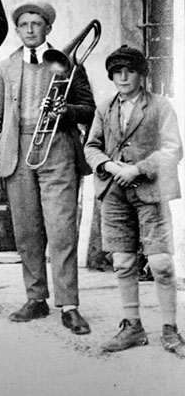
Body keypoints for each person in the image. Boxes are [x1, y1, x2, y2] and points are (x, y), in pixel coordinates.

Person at [0, 2, 94, 335]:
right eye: (24, 24)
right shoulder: (4, 67)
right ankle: (36, 298)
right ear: (16, 30)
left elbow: (88, 109)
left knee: (61, 230)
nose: (30, 29)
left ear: (48, 28)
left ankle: (69, 305)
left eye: (37, 23)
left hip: (57, 150)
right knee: (27, 232)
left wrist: (67, 111)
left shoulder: (68, 62)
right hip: (17, 153)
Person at [83, 45, 184, 354]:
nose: (123, 77)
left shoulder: (160, 107)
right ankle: (133, 327)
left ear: (142, 74)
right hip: (113, 193)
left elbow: (173, 149)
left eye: (130, 71)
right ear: (111, 76)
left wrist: (139, 168)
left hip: (150, 192)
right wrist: (111, 166)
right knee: (123, 262)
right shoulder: (104, 107)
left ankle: (170, 329)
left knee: (161, 263)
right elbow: (91, 147)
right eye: (117, 72)